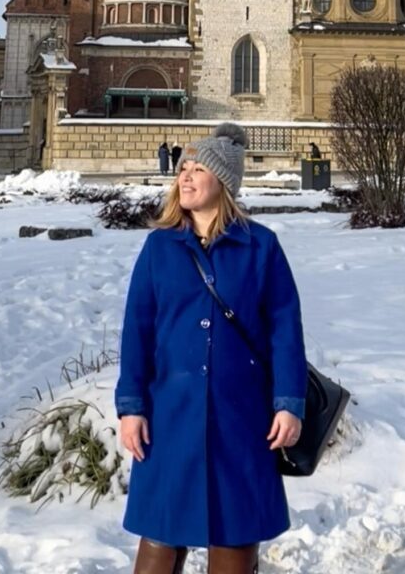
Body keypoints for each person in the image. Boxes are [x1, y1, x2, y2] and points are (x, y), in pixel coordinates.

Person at [117, 123, 307, 574]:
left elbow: (285, 330)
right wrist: (131, 406)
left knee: (236, 531)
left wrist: (288, 404)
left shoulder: (261, 246)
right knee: (162, 530)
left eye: (198, 168)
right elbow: (137, 331)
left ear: (223, 182)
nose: (185, 176)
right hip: (170, 413)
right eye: (183, 167)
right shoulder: (159, 248)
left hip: (241, 415)